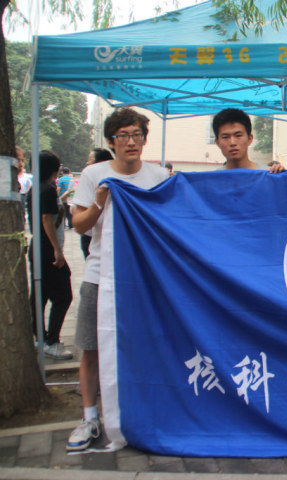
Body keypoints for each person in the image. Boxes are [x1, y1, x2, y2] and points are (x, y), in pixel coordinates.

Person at [67, 108, 169, 452]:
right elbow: (78, 225)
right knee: (91, 348)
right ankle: (89, 417)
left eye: (136, 134)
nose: (130, 142)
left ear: (144, 139)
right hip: (100, 276)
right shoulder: (94, 174)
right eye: (123, 136)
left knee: (144, 345)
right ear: (111, 142)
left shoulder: (158, 176)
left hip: (143, 279)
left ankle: (145, 411)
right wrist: (99, 202)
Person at [27, 150, 73, 360]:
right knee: (63, 295)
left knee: (41, 294)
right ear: (53, 168)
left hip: (39, 247)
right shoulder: (47, 189)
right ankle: (51, 341)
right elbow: (46, 220)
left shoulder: (37, 188)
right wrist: (57, 250)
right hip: (46, 249)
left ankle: (40, 337)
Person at [212, 108, 284, 173]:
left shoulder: (269, 175)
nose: (232, 142)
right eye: (225, 137)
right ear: (217, 142)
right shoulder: (213, 180)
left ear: (250, 139)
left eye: (238, 135)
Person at [80, 148, 113, 259]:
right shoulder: (88, 181)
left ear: (100, 163)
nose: (87, 163)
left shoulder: (111, 183)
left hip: (106, 236)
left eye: (90, 160)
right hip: (89, 234)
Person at [16, 146, 32, 222]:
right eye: (18, 160)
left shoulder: (27, 176)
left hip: (22, 197)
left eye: (22, 160)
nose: (21, 163)